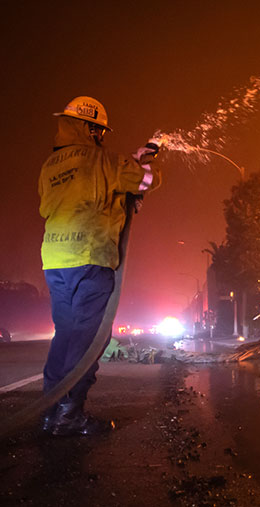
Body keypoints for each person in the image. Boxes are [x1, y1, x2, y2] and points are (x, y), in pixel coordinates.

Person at [38, 96, 160, 436]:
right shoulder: (104, 160)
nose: (102, 137)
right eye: (100, 131)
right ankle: (69, 415)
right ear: (92, 129)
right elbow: (147, 181)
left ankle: (51, 411)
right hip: (90, 258)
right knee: (89, 339)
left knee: (65, 335)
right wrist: (144, 160)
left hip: (55, 260)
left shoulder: (50, 165)